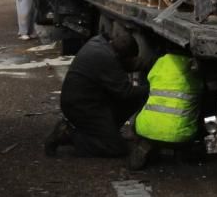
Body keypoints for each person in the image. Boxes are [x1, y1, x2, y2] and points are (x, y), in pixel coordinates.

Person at [44, 27, 148, 157]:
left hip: (87, 100)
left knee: (133, 100)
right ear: (120, 56)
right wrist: (151, 89)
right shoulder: (107, 58)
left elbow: (123, 66)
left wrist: (149, 63)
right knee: (116, 149)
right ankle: (68, 134)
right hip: (81, 106)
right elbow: (125, 92)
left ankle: (106, 133)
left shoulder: (99, 43)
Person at [127, 52, 203, 169]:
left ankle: (144, 146)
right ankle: (182, 154)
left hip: (145, 129)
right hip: (180, 136)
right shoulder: (194, 76)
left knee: (145, 111)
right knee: (194, 114)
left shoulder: (158, 67)